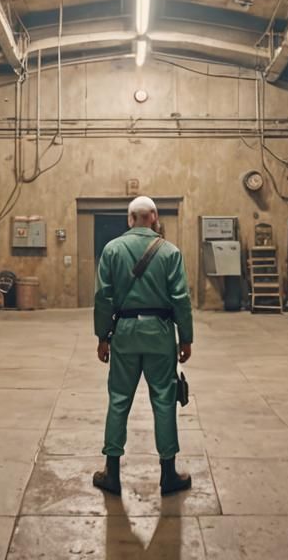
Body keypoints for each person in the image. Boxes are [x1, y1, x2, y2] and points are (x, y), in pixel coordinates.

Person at [92, 196, 193, 496]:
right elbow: (181, 299)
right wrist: (185, 337)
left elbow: (103, 298)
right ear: (154, 217)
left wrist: (102, 337)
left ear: (129, 219)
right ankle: (168, 474)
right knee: (164, 399)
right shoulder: (170, 251)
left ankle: (112, 472)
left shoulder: (111, 250)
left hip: (123, 332)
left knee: (119, 399)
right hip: (160, 333)